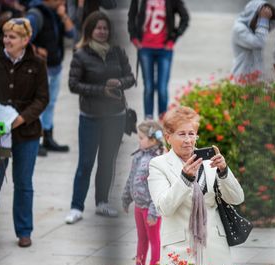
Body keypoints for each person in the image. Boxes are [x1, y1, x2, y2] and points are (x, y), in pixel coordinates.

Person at [0, 18, 49, 250]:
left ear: (26, 39)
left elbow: (42, 98)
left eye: (13, 36)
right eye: (5, 35)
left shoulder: (37, 64)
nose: (7, 40)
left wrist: (21, 118)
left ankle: (24, 232)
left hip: (27, 132)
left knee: (24, 183)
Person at [147, 106, 245, 265]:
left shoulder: (208, 162)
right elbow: (165, 207)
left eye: (191, 134)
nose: (188, 140)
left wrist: (224, 172)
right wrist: (184, 178)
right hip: (180, 248)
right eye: (181, 134)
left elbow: (237, 198)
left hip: (215, 246)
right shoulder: (158, 164)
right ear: (168, 137)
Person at [65, 11, 135, 223]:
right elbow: (73, 85)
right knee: (85, 163)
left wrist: (120, 83)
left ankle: (102, 202)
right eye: (98, 28)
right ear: (90, 30)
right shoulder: (81, 55)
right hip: (90, 117)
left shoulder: (118, 52)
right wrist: (101, 90)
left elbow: (131, 77)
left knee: (107, 162)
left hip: (116, 116)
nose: (102, 31)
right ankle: (76, 207)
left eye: (105, 28)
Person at [26, 0, 76, 156]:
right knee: (39, 105)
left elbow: (72, 34)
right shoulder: (35, 15)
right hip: (41, 70)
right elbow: (22, 39)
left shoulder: (57, 13)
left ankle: (48, 137)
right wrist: (36, 49)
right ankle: (36, 141)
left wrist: (64, 16)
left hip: (56, 67)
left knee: (51, 104)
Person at [128, 0, 190, 121]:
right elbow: (131, 16)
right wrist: (134, 37)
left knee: (162, 88)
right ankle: (149, 122)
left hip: (164, 49)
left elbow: (185, 18)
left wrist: (174, 38)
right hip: (145, 49)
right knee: (149, 87)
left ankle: (163, 120)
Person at [122, 120, 165, 265]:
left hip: (150, 209)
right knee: (141, 238)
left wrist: (153, 212)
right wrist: (126, 198)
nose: (138, 141)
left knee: (154, 239)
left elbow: (158, 190)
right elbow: (131, 178)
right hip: (138, 207)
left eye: (141, 138)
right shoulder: (138, 156)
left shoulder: (157, 160)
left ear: (152, 140)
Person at [231, 0, 275, 81]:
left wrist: (267, 18)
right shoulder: (239, 29)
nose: (262, 23)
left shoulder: (256, 31)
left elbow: (269, 27)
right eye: (259, 18)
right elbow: (259, 43)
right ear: (252, 14)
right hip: (241, 82)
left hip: (256, 82)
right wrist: (263, 20)